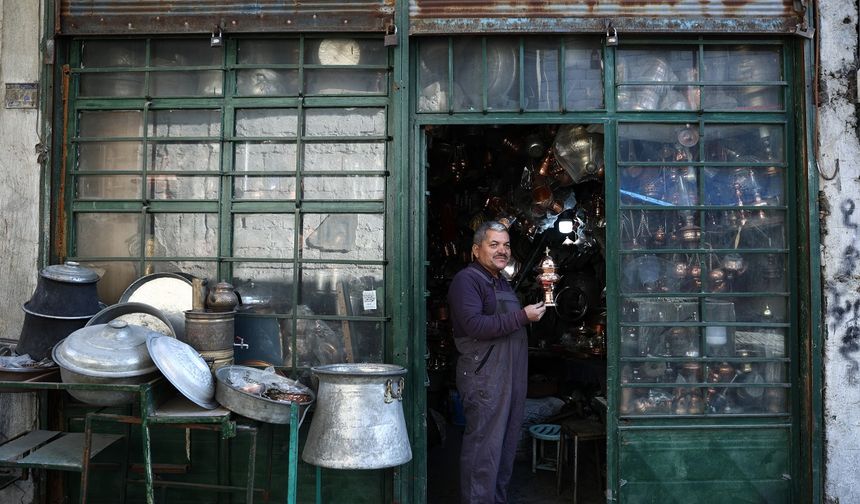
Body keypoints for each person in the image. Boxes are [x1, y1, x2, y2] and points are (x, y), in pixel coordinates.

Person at [447, 220, 546, 504]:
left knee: (504, 448)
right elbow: (475, 325)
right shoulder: (467, 281)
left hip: (511, 376)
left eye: (506, 245)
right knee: (483, 451)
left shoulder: (501, 281)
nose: (502, 250)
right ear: (477, 250)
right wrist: (522, 316)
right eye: (494, 245)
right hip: (485, 378)